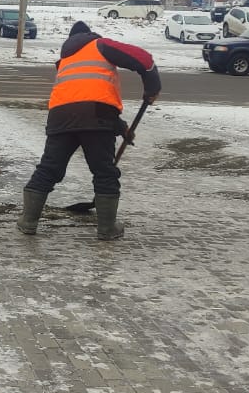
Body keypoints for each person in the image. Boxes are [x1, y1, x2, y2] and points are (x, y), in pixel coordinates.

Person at [18, 20, 160, 240]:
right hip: (96, 117)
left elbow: (81, 97)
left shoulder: (65, 59)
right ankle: (107, 228)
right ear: (90, 34)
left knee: (48, 169)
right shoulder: (100, 45)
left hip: (59, 118)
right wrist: (153, 87)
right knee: (104, 172)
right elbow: (144, 59)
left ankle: (28, 222)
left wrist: (121, 128)